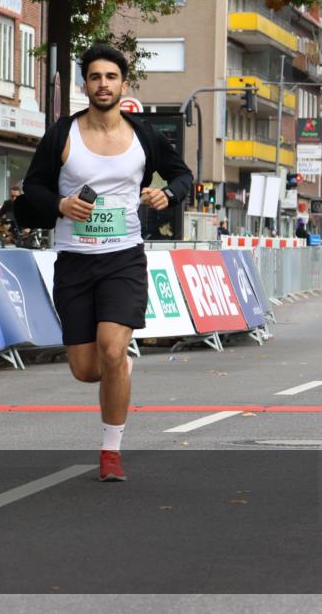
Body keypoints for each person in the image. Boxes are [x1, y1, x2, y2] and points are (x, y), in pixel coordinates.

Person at [15, 43, 192, 482]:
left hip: (123, 259)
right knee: (86, 369)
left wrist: (166, 194)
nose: (103, 84)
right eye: (95, 77)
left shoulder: (143, 135)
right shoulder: (63, 134)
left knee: (113, 349)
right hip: (75, 260)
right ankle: (117, 370)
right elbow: (31, 188)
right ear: (85, 85)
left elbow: (182, 174)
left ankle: (111, 452)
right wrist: (61, 205)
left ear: (123, 84)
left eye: (111, 77)